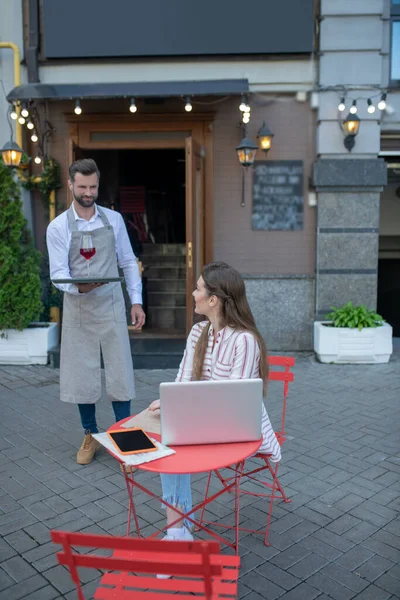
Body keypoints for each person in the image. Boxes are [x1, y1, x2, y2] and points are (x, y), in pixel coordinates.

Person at [148, 261, 281, 552]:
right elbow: (182, 381)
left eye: (197, 288)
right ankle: (178, 531)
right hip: (204, 423)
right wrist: (170, 401)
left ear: (213, 300)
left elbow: (235, 403)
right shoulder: (198, 333)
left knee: (174, 447)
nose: (192, 293)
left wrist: (186, 413)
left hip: (237, 431)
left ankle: (178, 531)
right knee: (166, 441)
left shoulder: (244, 341)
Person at [46, 158, 145, 465]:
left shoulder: (113, 220)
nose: (88, 193)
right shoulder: (58, 226)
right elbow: (58, 273)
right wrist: (79, 289)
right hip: (78, 306)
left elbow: (128, 261)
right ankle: (89, 433)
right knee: (82, 374)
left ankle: (124, 435)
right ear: (71, 184)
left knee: (119, 371)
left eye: (93, 187)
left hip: (111, 303)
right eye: (83, 187)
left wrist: (136, 300)